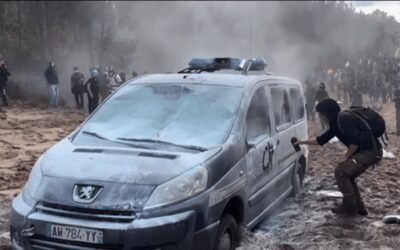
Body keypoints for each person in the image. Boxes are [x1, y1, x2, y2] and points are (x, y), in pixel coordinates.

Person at [295, 98, 383, 216]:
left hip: (371, 152)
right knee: (348, 174)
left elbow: (355, 141)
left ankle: (349, 208)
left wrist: (346, 157)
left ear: (327, 113)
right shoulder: (336, 123)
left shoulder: (344, 118)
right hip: (367, 151)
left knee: (341, 171)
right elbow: (321, 140)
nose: (320, 117)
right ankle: (359, 208)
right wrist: (300, 142)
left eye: (321, 114)